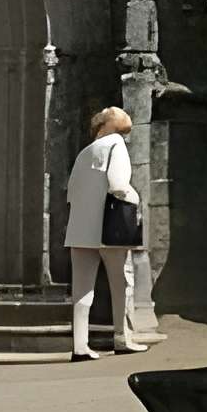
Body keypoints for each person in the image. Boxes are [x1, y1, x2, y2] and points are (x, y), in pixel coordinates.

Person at [64, 108, 144, 361]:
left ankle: (80, 346)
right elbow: (118, 184)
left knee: (82, 290)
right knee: (121, 283)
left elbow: (71, 193)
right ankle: (122, 338)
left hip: (79, 228)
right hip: (109, 228)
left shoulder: (84, 153)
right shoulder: (116, 145)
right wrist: (135, 199)